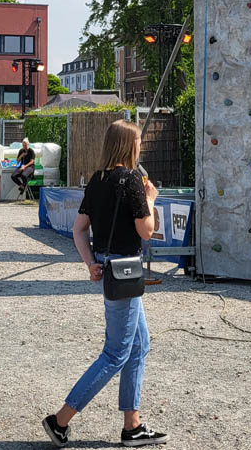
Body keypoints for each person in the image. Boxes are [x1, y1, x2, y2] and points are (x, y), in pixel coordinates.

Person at [42, 120, 167, 448]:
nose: (140, 147)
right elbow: (146, 231)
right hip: (126, 270)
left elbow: (78, 229)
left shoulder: (97, 180)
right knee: (115, 353)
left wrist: (91, 264)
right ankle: (60, 420)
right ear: (129, 145)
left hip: (109, 268)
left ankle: (132, 425)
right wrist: (151, 199)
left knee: (140, 345)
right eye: (138, 141)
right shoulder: (134, 182)